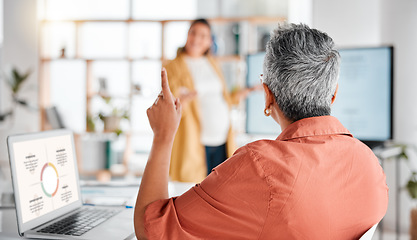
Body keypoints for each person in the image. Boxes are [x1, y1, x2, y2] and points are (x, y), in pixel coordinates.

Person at [134, 23, 388, 239]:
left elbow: (152, 228)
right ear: (333, 95)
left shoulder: (257, 167)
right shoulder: (370, 165)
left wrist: (163, 135)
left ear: (267, 96)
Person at [164, 19, 258, 182]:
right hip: (196, 142)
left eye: (203, 36)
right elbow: (171, 102)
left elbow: (225, 98)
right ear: (187, 35)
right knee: (195, 191)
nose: (196, 39)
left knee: (220, 189)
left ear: (209, 41)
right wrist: (182, 99)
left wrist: (249, 90)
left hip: (222, 139)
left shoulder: (212, 63)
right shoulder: (173, 65)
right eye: (193, 33)